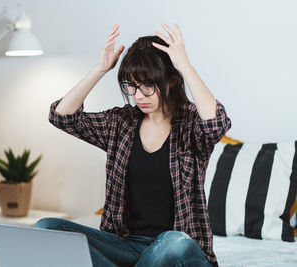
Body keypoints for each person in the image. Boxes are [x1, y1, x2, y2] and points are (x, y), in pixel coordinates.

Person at [36, 23, 231, 267]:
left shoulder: (190, 124)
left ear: (170, 81)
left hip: (177, 248)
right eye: (131, 86)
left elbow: (217, 124)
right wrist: (100, 69)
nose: (138, 96)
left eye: (147, 86)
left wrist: (184, 66)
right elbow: (62, 117)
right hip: (126, 245)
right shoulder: (121, 124)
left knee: (174, 242)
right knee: (47, 228)